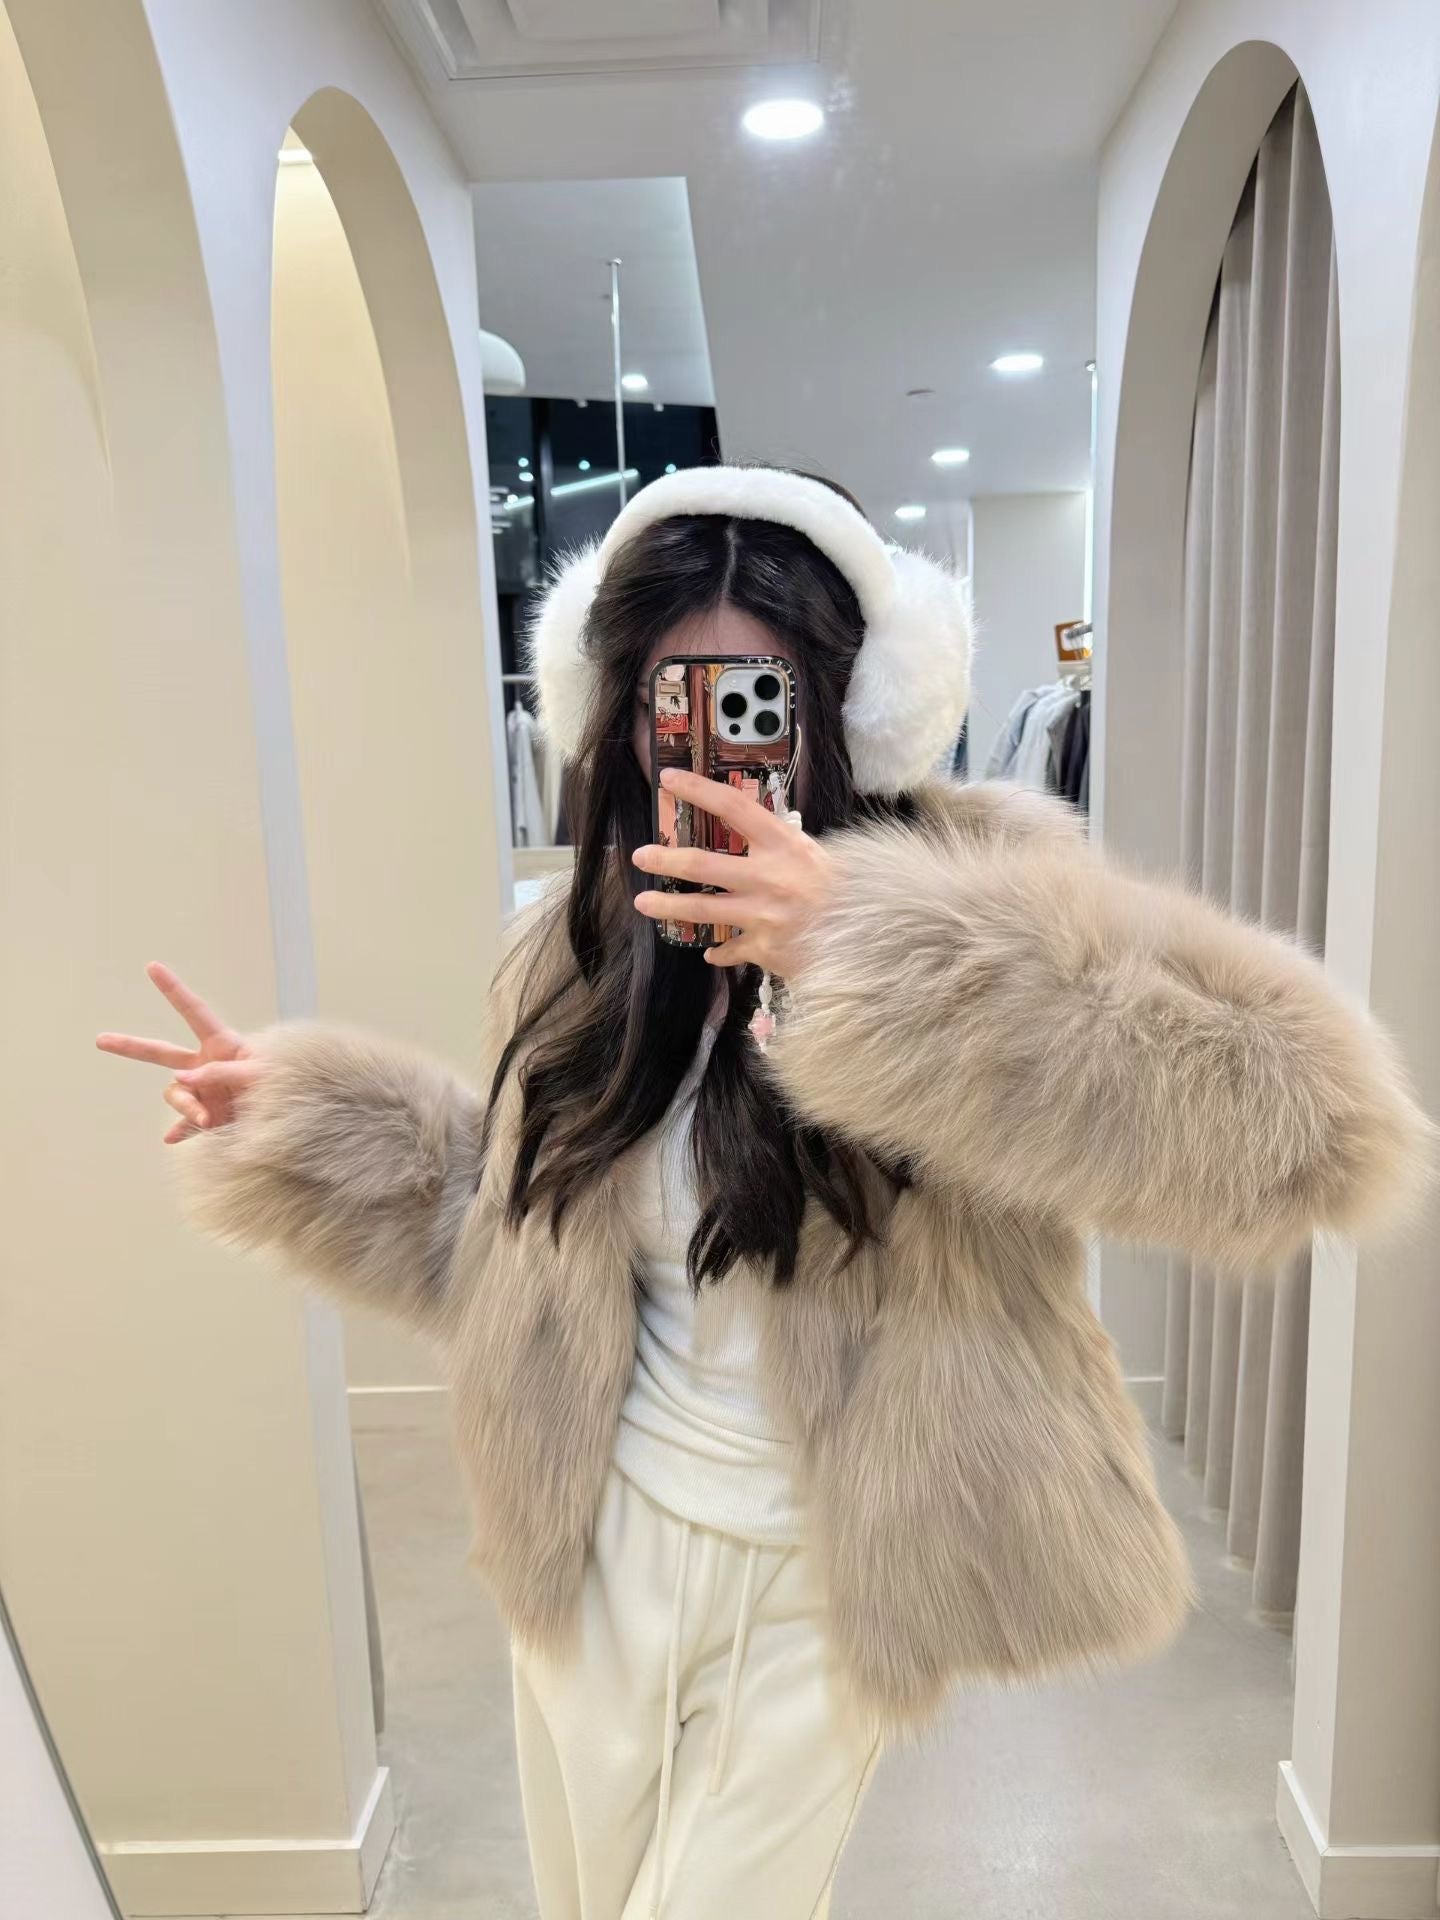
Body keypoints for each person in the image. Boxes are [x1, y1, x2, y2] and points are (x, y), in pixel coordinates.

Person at [98, 465, 1431, 1920]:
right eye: (672, 699)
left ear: (856, 705)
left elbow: (1315, 1123)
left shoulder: (981, 886)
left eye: (759, 698)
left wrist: (864, 945)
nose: (716, 743)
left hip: (821, 1569)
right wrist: (299, 1119)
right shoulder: (568, 953)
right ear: (618, 717)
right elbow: (504, 1237)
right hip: (588, 1544)